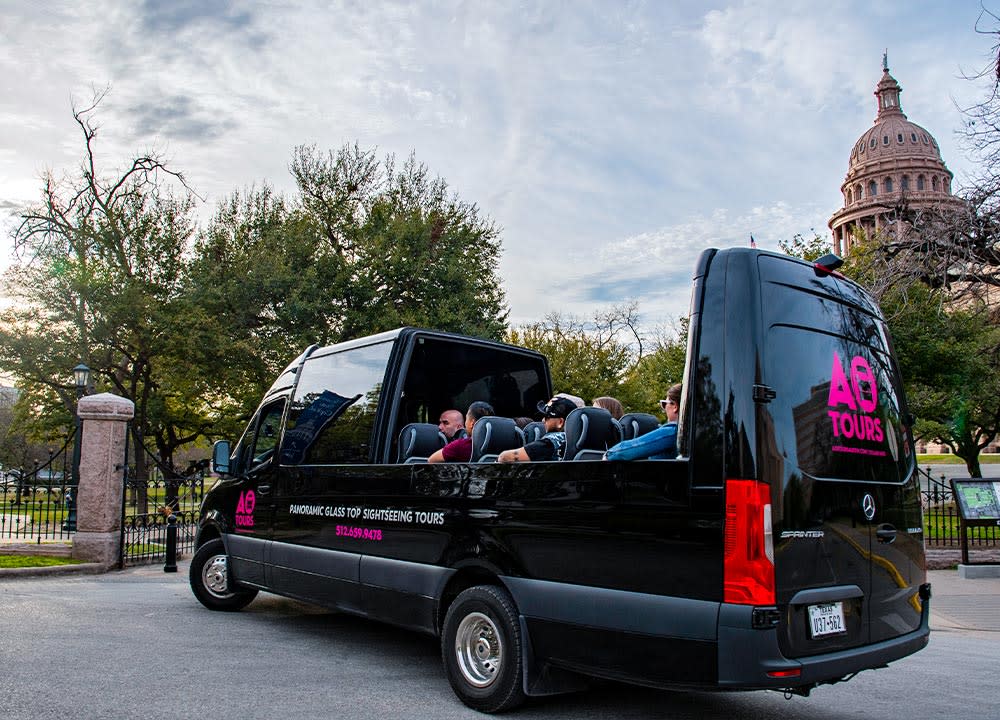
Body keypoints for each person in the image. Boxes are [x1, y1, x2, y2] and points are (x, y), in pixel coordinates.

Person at [604, 383, 681, 461]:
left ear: (675, 406)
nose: (664, 410)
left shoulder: (673, 431)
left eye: (664, 404)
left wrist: (608, 454)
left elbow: (624, 451)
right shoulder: (688, 433)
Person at [497, 396, 575, 463]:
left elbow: (505, 457)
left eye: (547, 417)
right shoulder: (577, 441)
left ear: (560, 422)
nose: (543, 420)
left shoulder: (550, 443)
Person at [428, 401, 493, 463]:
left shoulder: (461, 446)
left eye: (467, 419)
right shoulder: (500, 445)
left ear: (472, 423)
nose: (439, 427)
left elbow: (431, 460)